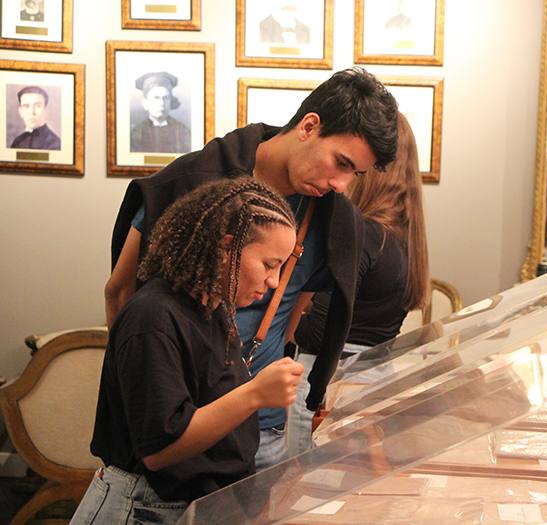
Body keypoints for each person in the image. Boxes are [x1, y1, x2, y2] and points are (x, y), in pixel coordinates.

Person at [104, 67, 399, 471]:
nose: (342, 184)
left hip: (263, 430)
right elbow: (121, 292)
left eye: (354, 173)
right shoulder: (190, 182)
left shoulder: (334, 219)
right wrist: (140, 402)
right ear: (309, 127)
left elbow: (296, 308)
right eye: (341, 162)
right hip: (178, 425)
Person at [69, 179, 304, 525]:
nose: (273, 281)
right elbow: (159, 450)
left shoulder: (212, 310)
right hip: (144, 509)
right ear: (227, 247)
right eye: (269, 265)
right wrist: (255, 394)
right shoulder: (153, 317)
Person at [285, 113, 430, 456]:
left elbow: (319, 333)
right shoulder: (403, 238)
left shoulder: (363, 234)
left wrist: (285, 317)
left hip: (330, 384)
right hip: (375, 377)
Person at [130, 72, 191, 154]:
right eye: (156, 98)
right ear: (145, 103)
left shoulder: (182, 132)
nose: (162, 103)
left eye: (165, 98)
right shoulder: (136, 133)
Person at [10, 86, 60, 150]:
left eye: (38, 106)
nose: (32, 112)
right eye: (26, 106)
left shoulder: (56, 144)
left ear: (46, 110)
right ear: (20, 111)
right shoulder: (17, 142)